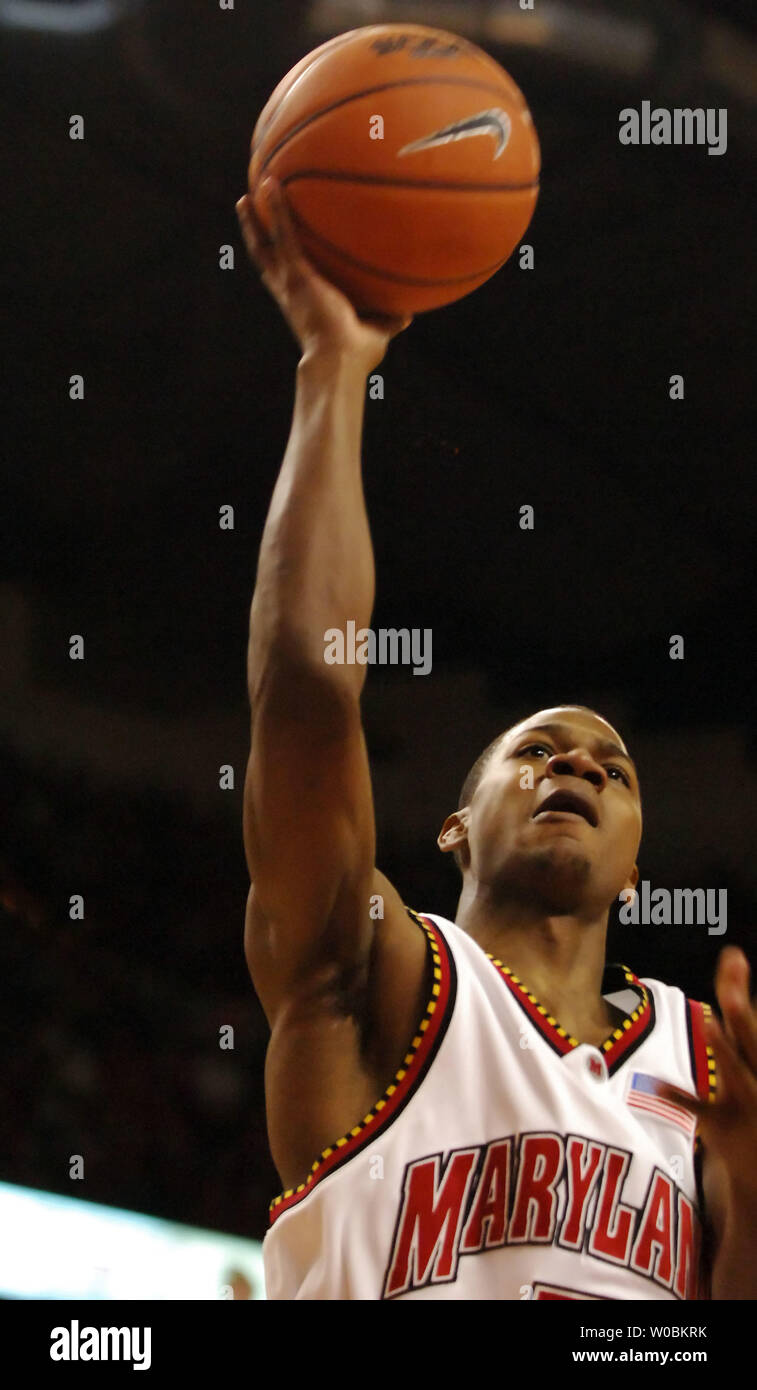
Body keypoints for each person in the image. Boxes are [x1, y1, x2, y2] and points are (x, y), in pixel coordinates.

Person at [235, 178, 757, 1301]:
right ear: (455, 827)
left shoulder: (707, 1057)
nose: (576, 764)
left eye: (610, 769)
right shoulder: (374, 969)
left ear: (637, 859)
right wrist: (333, 367)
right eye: (536, 751)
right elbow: (305, 695)